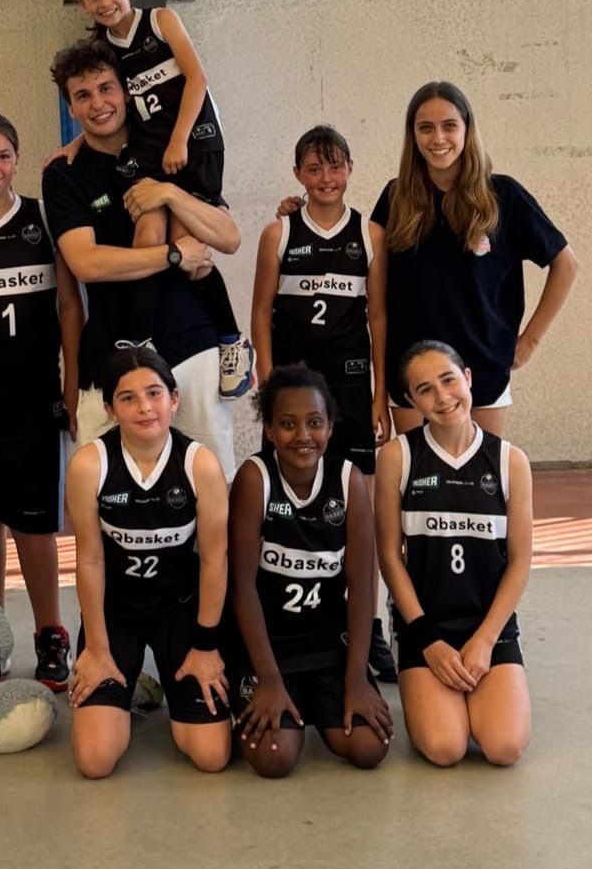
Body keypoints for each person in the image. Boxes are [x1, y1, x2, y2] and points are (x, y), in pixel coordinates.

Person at [43, 39, 240, 480]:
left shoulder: (168, 148)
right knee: (100, 495)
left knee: (209, 486)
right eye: (83, 96)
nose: (98, 104)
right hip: (109, 354)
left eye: (106, 89)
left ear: (126, 91)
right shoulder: (64, 174)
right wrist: (173, 256)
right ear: (70, 108)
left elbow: (228, 237)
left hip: (189, 346)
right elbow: (88, 264)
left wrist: (170, 192)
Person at [72, 0, 253, 399]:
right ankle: (142, 336)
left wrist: (179, 141)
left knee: (188, 240)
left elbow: (197, 80)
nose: (105, 1)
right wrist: (78, 141)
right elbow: (110, 106)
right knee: (150, 237)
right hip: (151, 149)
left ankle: (231, 340)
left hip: (195, 142)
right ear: (83, 4)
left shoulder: (160, 21)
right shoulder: (104, 50)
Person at [251, 124, 396, 679]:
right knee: (293, 502)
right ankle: (299, 617)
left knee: (356, 508)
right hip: (292, 390)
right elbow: (261, 313)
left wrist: (381, 392)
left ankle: (369, 625)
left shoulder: (371, 234)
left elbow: (377, 317)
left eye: (335, 167)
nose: (326, 178)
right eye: (315, 168)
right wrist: (267, 383)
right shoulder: (279, 233)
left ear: (351, 169)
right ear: (298, 176)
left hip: (352, 387)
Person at [0, 112, 83, 689]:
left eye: (3, 155)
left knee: (36, 522)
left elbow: (70, 308)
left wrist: (72, 383)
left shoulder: (41, 220)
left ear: (17, 160)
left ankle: (50, 634)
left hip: (35, 396)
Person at [371, 80, 578, 436]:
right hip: (410, 370)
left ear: (467, 129)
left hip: (483, 366)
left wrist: (530, 340)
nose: (438, 138)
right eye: (426, 128)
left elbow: (566, 264)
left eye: (449, 125)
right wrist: (302, 213)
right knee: (414, 484)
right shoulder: (396, 198)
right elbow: (357, 253)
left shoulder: (503, 196)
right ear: (413, 135)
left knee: (485, 484)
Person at [66, 347, 230, 778]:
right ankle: (128, 675)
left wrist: (206, 646)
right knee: (96, 760)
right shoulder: (89, 464)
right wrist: (97, 649)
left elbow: (215, 560)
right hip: (116, 614)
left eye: (154, 393)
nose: (144, 407)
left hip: (181, 612)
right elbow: (89, 559)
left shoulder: (200, 464)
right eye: (128, 398)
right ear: (109, 408)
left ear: (174, 399)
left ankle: (157, 684)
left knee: (211, 756)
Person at [227, 366, 392, 778]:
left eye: (314, 423)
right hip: (269, 647)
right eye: (287, 424)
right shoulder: (254, 479)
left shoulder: (348, 480)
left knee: (369, 747)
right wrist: (267, 678)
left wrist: (356, 678)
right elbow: (242, 587)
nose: (303, 435)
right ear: (268, 430)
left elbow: (361, 586)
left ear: (331, 428)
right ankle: (271, 697)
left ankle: (318, 701)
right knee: (275, 757)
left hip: (326, 645)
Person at [375, 340, 533, 767]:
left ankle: (489, 679)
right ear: (411, 401)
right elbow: (390, 557)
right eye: (425, 390)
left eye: (448, 380)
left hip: (488, 626)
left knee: (503, 747)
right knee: (446, 748)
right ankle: (428, 678)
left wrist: (484, 641)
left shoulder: (509, 461)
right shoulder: (398, 456)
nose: (442, 397)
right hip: (427, 627)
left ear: (467, 378)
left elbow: (519, 561)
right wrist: (427, 640)